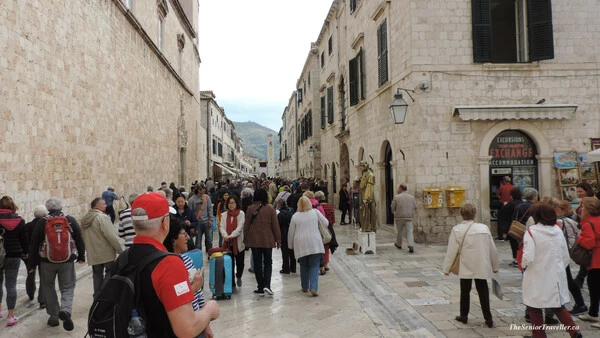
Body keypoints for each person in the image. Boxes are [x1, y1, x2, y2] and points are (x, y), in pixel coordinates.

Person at [129, 192, 219, 337]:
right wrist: (210, 310)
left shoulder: (122, 259)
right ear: (165, 223)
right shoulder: (169, 264)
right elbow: (186, 329)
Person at [521, 203, 581, 338]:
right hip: (555, 273)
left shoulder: (532, 232)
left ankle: (539, 335)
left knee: (534, 306)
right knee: (557, 305)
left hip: (537, 273)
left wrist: (524, 265)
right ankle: (574, 331)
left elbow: (528, 256)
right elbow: (565, 255)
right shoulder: (557, 231)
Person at [27, 197, 86, 331]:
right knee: (68, 286)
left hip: (46, 261)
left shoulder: (42, 222)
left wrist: (31, 265)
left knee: (48, 286)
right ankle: (65, 310)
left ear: (47, 208)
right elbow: (79, 237)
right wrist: (81, 256)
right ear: (61, 206)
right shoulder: (69, 219)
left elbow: (34, 244)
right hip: (67, 260)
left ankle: (54, 316)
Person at [442, 203, 498, 328]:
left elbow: (451, 251)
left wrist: (446, 268)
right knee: (483, 291)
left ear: (462, 215)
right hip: (481, 264)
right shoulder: (484, 228)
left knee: (465, 290)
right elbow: (492, 249)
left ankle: (464, 315)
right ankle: (488, 318)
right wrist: (495, 266)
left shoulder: (457, 229)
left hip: (466, 263)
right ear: (474, 214)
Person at [163, 216, 213, 338]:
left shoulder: (187, 260)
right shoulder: (166, 266)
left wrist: (206, 325)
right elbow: (177, 300)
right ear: (173, 239)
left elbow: (198, 295)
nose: (188, 238)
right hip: (183, 326)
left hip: (197, 321)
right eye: (184, 234)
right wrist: (195, 286)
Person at [80, 197, 125, 297]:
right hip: (106, 252)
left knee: (97, 275)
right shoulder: (102, 217)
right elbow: (110, 235)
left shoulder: (85, 219)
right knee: (111, 271)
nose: (105, 206)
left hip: (93, 253)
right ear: (96, 206)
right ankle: (104, 294)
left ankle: (97, 296)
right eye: (103, 204)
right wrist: (119, 249)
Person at [243, 189, 281, 296]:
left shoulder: (250, 209)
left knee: (258, 263)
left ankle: (260, 286)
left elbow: (246, 225)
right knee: (268, 262)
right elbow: (275, 226)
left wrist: (245, 239)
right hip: (268, 240)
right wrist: (278, 240)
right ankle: (267, 285)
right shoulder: (270, 209)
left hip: (255, 240)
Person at [288, 196, 327, 297]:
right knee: (314, 266)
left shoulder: (295, 216)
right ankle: (313, 287)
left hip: (300, 244)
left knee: (304, 265)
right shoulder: (315, 212)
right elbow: (326, 222)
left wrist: (290, 245)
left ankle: (305, 286)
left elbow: (291, 232)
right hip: (315, 242)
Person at [556, 200, 588, 315]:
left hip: (561, 253)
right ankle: (579, 304)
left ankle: (579, 304)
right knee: (567, 279)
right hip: (564, 252)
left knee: (567, 280)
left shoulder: (559, 222)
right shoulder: (569, 220)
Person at [0, 196, 28, 326]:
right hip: (14, 256)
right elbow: (24, 240)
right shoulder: (20, 221)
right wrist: (26, 252)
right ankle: (10, 316)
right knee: (11, 285)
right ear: (13, 206)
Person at [576, 197, 600, 327]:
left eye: (583, 207)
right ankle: (593, 313)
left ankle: (594, 313)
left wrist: (579, 238)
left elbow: (589, 243)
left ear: (589, 210)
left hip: (595, 260)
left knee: (594, 288)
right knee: (594, 288)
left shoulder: (588, 223)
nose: (581, 209)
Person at [23, 205, 48, 309]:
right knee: (43, 277)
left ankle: (30, 293)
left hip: (30, 254)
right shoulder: (46, 225)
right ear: (45, 214)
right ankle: (42, 300)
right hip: (42, 253)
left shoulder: (27, 225)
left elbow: (24, 239)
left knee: (30, 273)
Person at [220, 195, 245, 291]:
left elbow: (240, 227)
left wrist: (231, 235)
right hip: (227, 244)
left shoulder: (241, 214)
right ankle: (232, 284)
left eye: (233, 203)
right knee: (229, 264)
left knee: (240, 263)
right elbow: (221, 226)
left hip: (238, 243)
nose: (231, 205)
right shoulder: (224, 215)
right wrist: (225, 235)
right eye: (229, 203)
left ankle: (238, 276)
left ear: (237, 203)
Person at [574, 182, 595, 288]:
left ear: (587, 191)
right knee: (584, 253)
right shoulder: (582, 201)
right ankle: (580, 278)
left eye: (581, 191)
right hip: (582, 226)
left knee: (586, 253)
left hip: (589, 227)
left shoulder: (592, 201)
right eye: (577, 191)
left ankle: (580, 278)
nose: (579, 193)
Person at [315, 191, 338, 274]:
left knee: (320, 247)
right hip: (329, 227)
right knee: (327, 247)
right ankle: (326, 265)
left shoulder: (317, 207)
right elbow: (333, 219)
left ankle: (320, 264)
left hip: (321, 229)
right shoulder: (329, 206)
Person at [390, 184, 417, 253]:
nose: (398, 190)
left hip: (399, 217)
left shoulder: (396, 197)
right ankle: (410, 245)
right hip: (409, 217)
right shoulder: (412, 197)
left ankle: (398, 244)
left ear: (401, 189)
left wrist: (393, 212)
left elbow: (393, 206)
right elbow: (415, 206)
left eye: (399, 188)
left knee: (399, 231)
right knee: (409, 231)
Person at [188, 183, 213, 253]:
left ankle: (210, 254)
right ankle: (198, 255)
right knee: (198, 242)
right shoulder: (191, 200)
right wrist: (192, 225)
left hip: (207, 222)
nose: (205, 190)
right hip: (197, 223)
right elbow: (190, 213)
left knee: (209, 240)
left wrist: (211, 219)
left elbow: (210, 208)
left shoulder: (206, 197)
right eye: (203, 189)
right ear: (199, 190)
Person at [502, 188, 523, 266]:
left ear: (511, 196)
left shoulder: (510, 204)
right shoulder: (522, 203)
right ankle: (520, 258)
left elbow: (504, 213)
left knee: (514, 243)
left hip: (513, 226)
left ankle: (516, 259)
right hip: (522, 226)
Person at [275, 198, 296, 274]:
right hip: (292, 232)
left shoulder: (280, 214)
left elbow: (278, 225)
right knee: (292, 251)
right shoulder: (292, 210)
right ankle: (293, 268)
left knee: (285, 252)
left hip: (283, 233)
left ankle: (285, 268)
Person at [358, 160, 376, 232]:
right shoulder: (365, 173)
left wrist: (366, 198)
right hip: (362, 194)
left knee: (367, 212)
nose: (360, 168)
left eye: (361, 166)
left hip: (367, 196)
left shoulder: (370, 175)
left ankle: (368, 227)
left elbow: (369, 187)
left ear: (365, 166)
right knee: (363, 212)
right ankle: (364, 226)